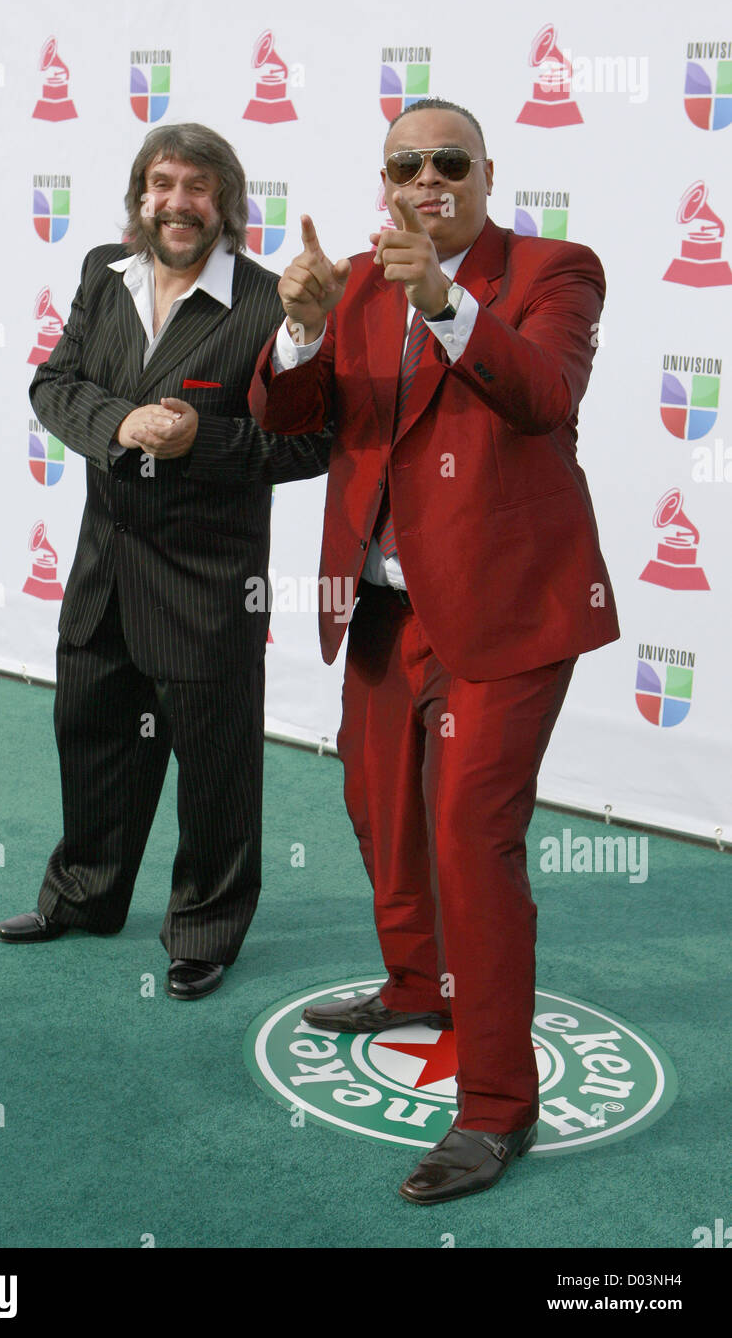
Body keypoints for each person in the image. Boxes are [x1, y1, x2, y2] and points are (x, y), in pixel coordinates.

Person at [250, 98, 619, 1201]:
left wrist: (445, 301)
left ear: (484, 172)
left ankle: (498, 1104)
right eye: (402, 162)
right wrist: (302, 330)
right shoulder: (354, 277)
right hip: (377, 606)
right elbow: (290, 418)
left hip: (505, 615)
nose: (424, 177)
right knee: (380, 812)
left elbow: (543, 396)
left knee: (470, 838)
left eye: (446, 160)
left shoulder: (554, 268)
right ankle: (417, 980)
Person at [0, 123, 330, 1001]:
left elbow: (307, 441)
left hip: (209, 586)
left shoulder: (267, 303)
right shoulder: (104, 271)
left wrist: (200, 441)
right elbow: (54, 383)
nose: (177, 203)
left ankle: (205, 930)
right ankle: (84, 895)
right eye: (161, 183)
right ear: (140, 196)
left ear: (226, 202)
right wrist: (118, 428)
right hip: (103, 572)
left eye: (197, 187)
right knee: (93, 735)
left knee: (216, 766)